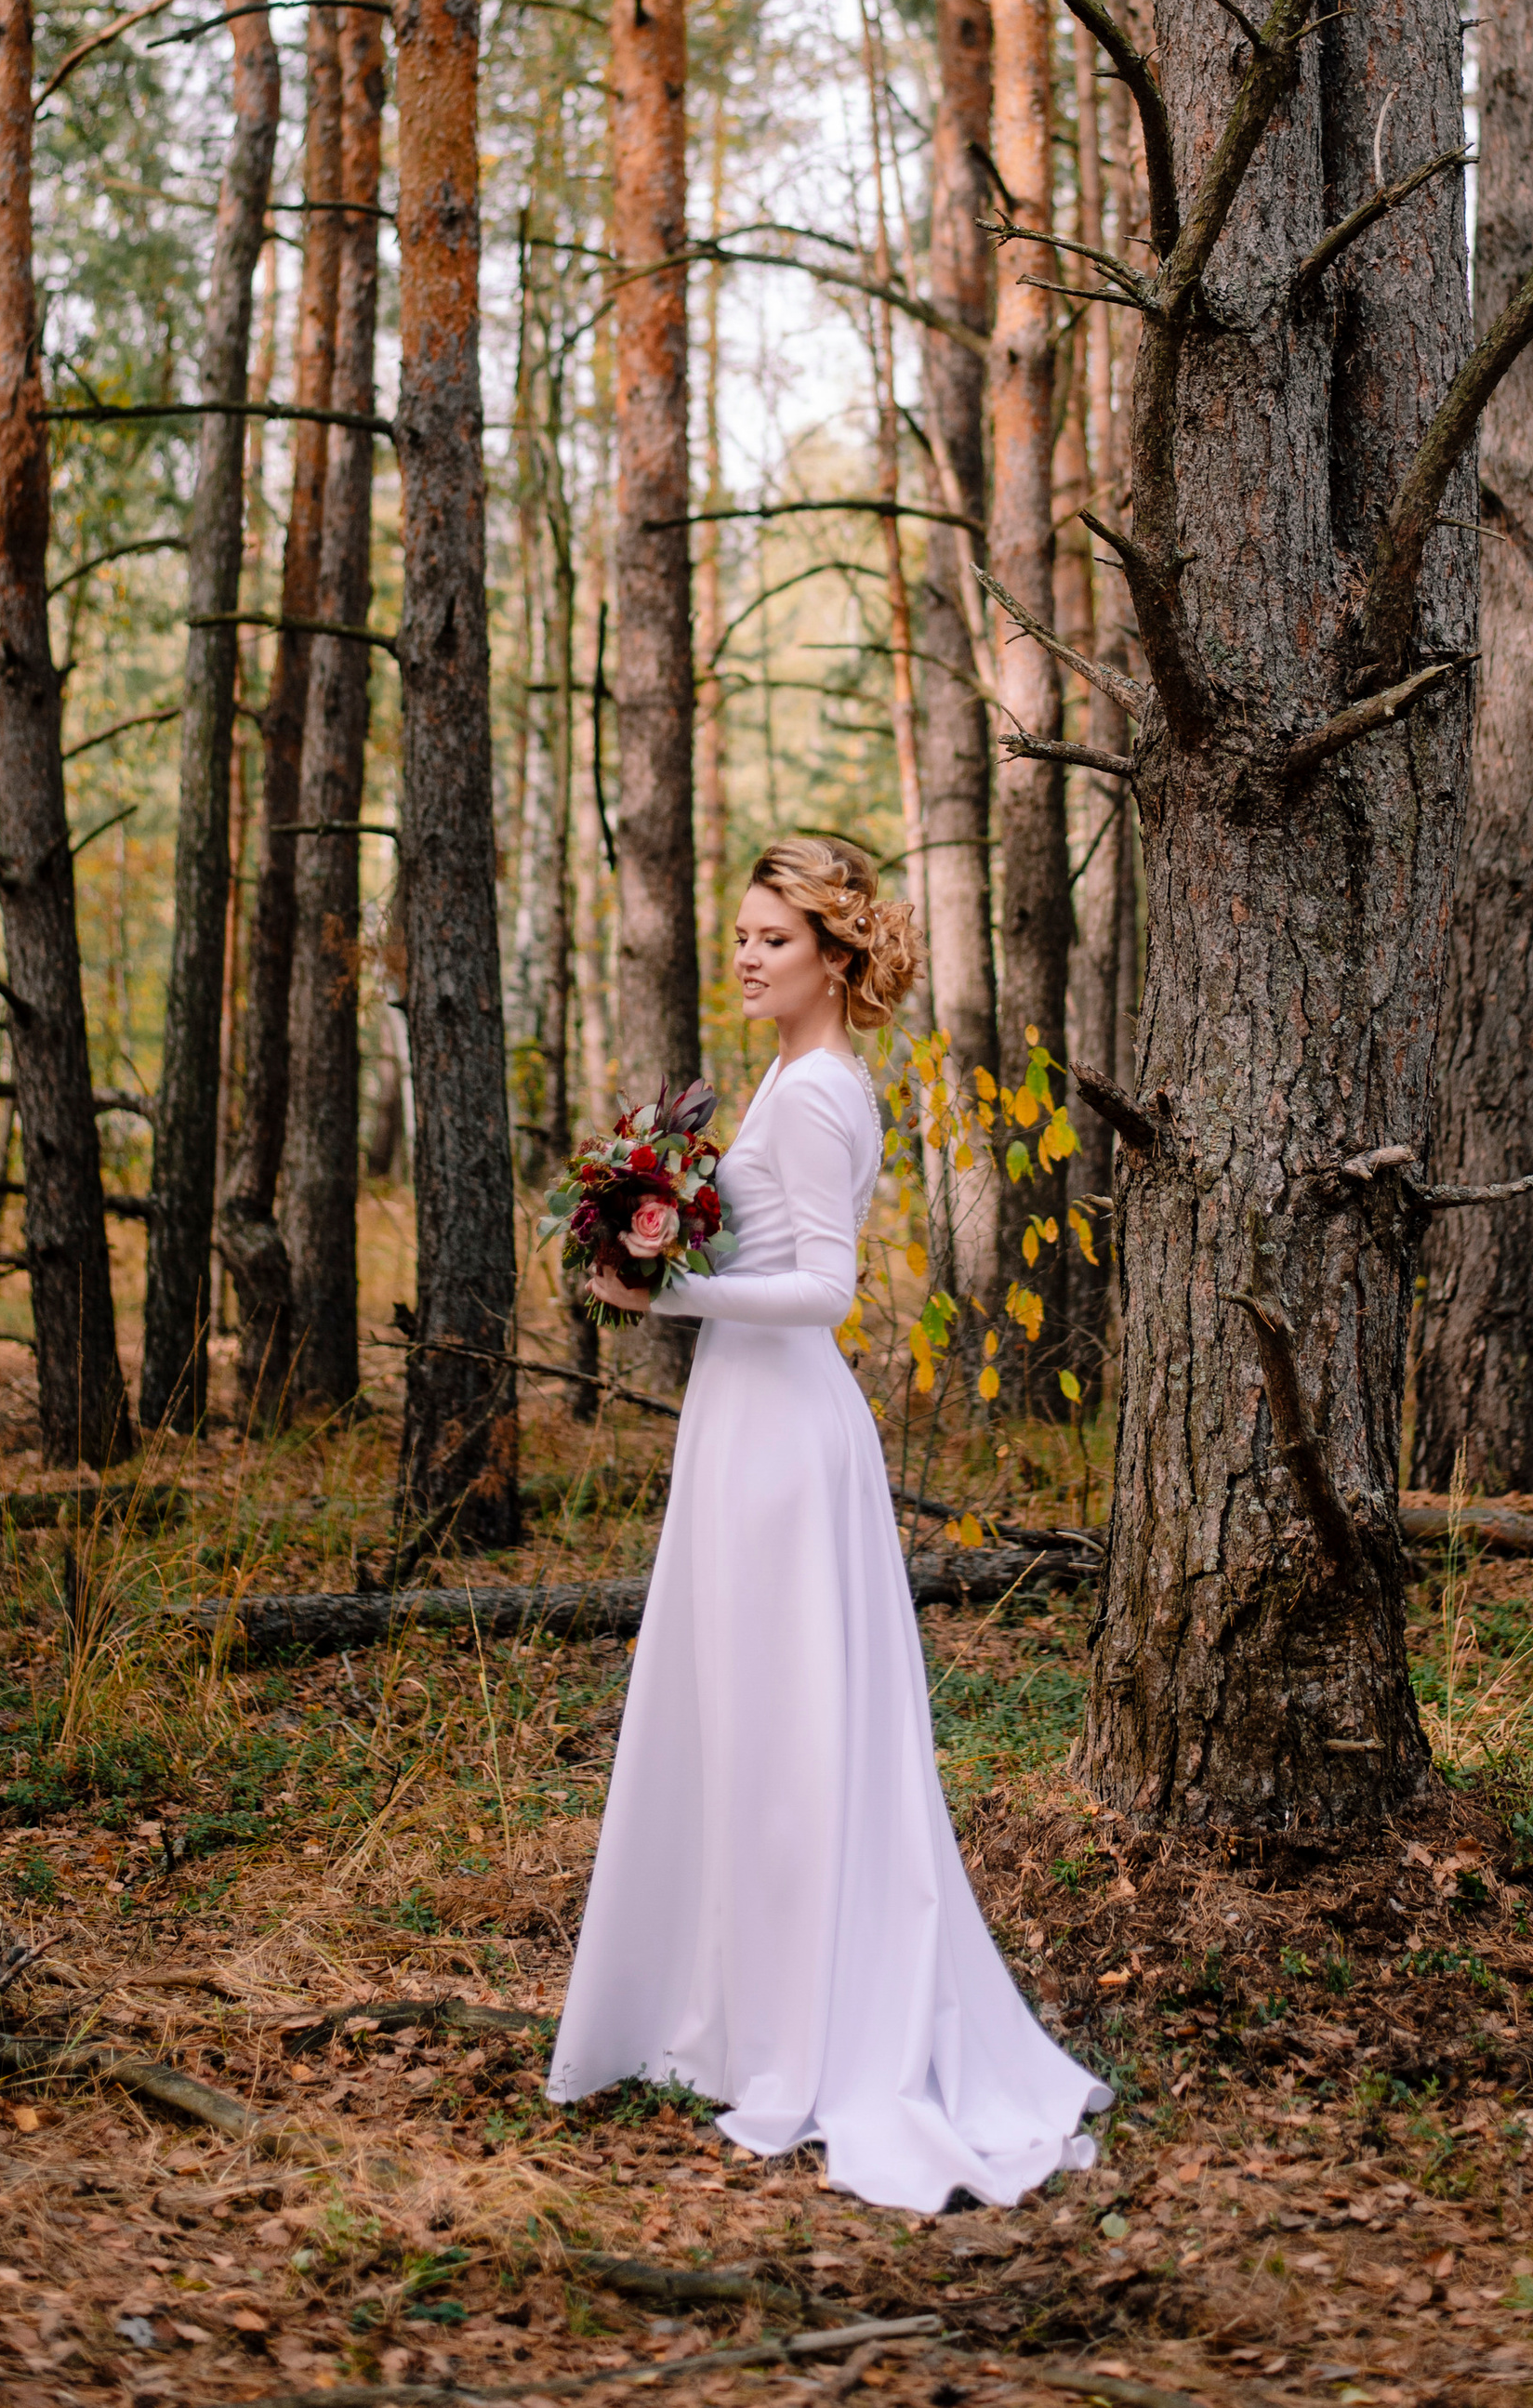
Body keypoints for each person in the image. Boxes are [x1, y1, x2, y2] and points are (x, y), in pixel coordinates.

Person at [546, 834, 1110, 2213]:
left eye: (774, 939)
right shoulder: (799, 1078)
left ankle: (799, 2033)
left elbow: (827, 1294)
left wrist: (664, 1294)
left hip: (785, 1435)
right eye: (743, 935)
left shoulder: (814, 1094)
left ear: (834, 956)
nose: (747, 957)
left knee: (788, 1734)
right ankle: (749, 2013)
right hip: (751, 1424)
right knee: (754, 1725)